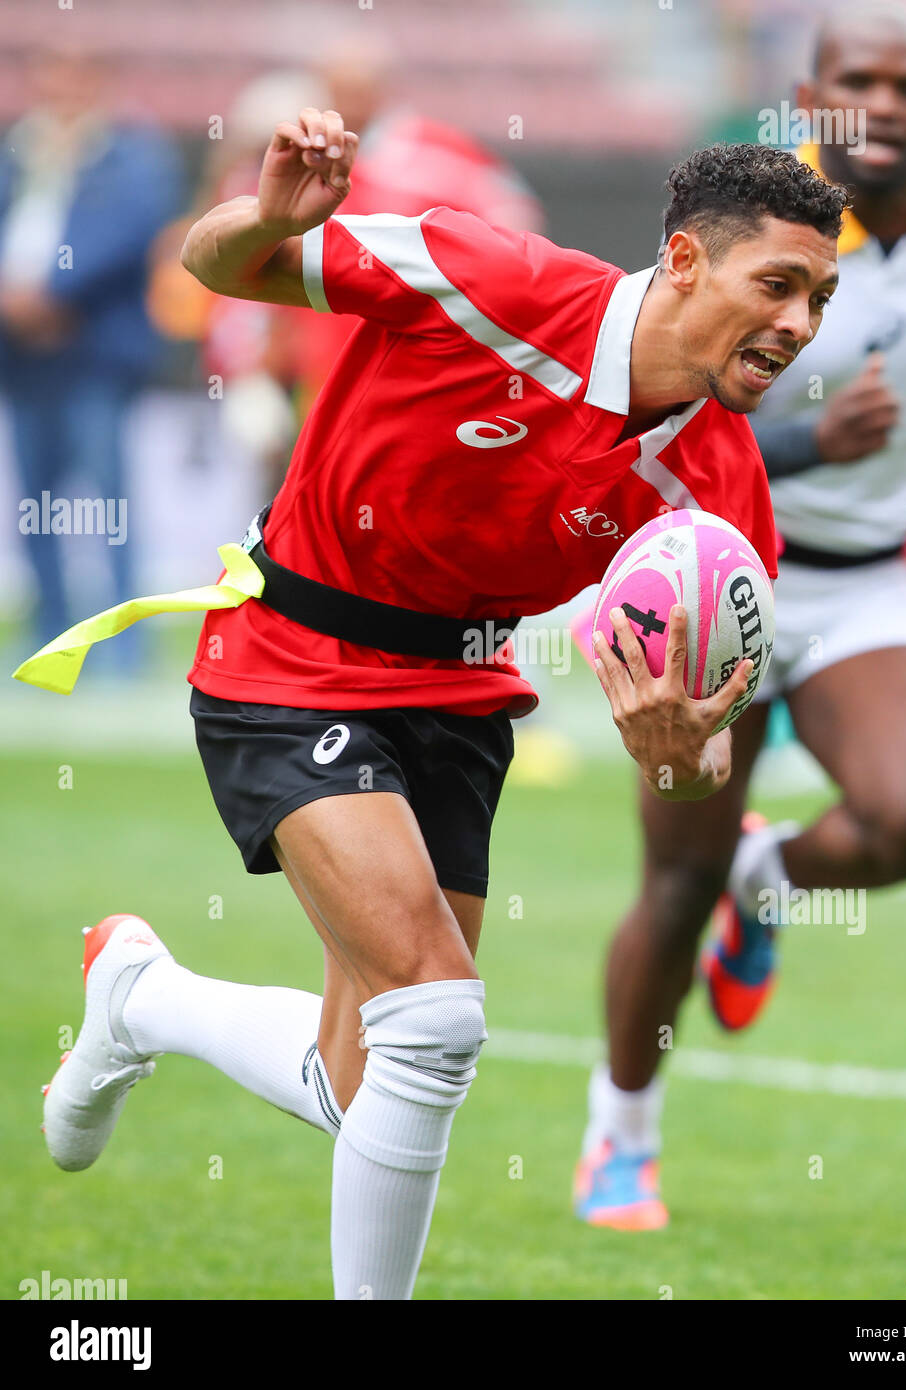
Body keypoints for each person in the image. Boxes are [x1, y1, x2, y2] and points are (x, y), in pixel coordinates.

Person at [40, 117, 843, 1299]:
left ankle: (143, 998)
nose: (798, 323)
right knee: (434, 1018)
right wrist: (269, 217)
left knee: (365, 1078)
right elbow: (218, 266)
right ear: (680, 261)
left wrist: (674, 758)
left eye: (819, 297)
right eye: (776, 284)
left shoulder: (717, 485)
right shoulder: (489, 277)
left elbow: (701, 768)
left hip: (462, 696)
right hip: (288, 650)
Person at [575, 2, 906, 1231]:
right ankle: (618, 1134)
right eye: (854, 81)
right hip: (715, 572)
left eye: (904, 84)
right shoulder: (751, 228)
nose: (878, 104)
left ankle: (766, 880)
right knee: (673, 884)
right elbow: (648, 410)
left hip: (867, 574)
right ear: (810, 96)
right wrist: (802, 441)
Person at [0, 46, 181, 662]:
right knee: (37, 503)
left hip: (94, 351)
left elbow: (130, 230)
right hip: (24, 356)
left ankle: (121, 640)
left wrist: (52, 295)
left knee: (108, 501)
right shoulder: (19, 151)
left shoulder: (130, 153)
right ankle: (47, 629)